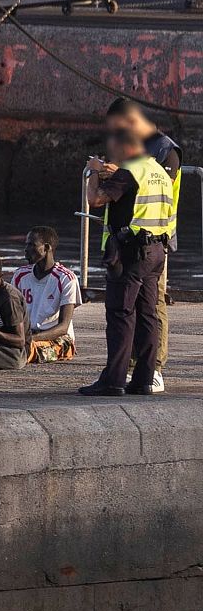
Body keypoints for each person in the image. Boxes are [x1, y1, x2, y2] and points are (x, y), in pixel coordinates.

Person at [81, 128, 174, 395]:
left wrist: (94, 172)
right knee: (148, 315)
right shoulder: (158, 171)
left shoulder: (131, 170)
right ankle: (144, 379)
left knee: (121, 314)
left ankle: (113, 381)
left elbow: (95, 199)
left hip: (131, 252)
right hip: (156, 250)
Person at [106, 97, 180, 391]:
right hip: (140, 241)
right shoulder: (142, 152)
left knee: (145, 309)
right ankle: (141, 375)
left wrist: (113, 174)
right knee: (141, 310)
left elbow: (110, 194)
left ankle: (152, 369)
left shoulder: (163, 151)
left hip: (151, 241)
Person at [11, 226, 81, 364]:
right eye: (26, 244)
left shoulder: (66, 278)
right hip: (26, 334)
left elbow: (63, 326)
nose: (26, 249)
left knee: (26, 350)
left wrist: (32, 338)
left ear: (47, 247)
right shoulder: (20, 275)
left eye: (32, 245)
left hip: (56, 339)